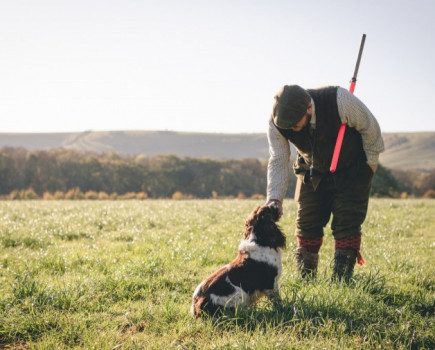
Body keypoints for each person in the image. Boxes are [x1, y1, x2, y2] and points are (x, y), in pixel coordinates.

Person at [265, 85, 384, 281]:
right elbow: (278, 159)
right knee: (306, 224)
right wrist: (274, 199)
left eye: (295, 125)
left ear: (309, 109)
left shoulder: (341, 100)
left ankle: (341, 283)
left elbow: (371, 130)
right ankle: (306, 281)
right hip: (312, 172)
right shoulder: (276, 122)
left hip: (352, 170)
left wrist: (369, 168)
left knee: (347, 224)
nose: (291, 130)